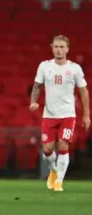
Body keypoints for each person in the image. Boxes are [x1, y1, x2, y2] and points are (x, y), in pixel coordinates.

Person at [29, 35, 90, 192]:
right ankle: (54, 171)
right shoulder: (44, 66)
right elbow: (37, 85)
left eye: (62, 47)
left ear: (67, 49)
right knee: (48, 150)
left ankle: (59, 182)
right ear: (51, 47)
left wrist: (86, 114)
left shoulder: (74, 68)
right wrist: (33, 101)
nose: (59, 49)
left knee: (63, 145)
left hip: (68, 114)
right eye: (56, 46)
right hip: (49, 115)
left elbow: (84, 91)